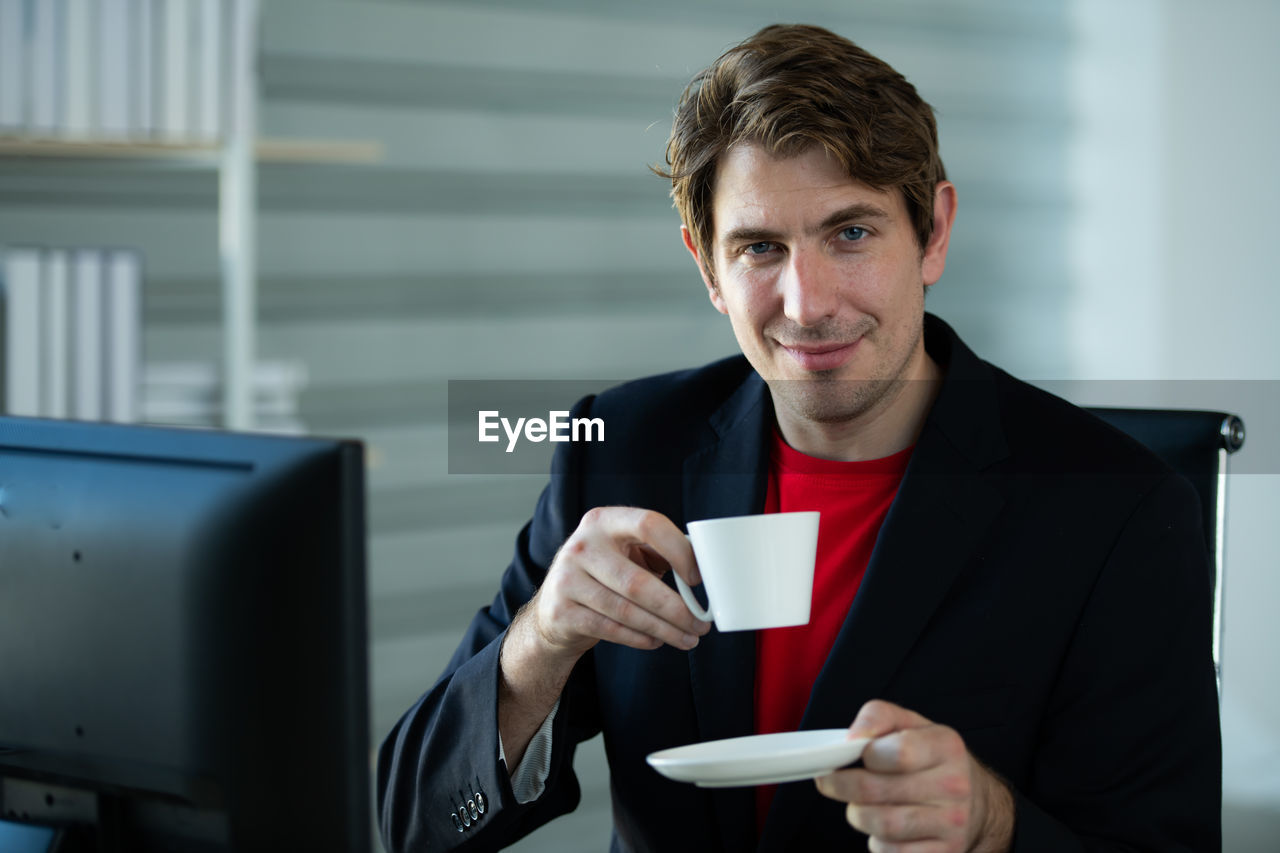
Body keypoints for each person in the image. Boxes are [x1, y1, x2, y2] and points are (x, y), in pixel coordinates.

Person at [377, 23, 1221, 852]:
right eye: (759, 248)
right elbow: (407, 820)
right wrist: (540, 642)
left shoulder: (1118, 509)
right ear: (708, 268)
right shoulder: (624, 450)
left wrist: (994, 826)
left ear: (932, 233)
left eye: (850, 233)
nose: (806, 302)